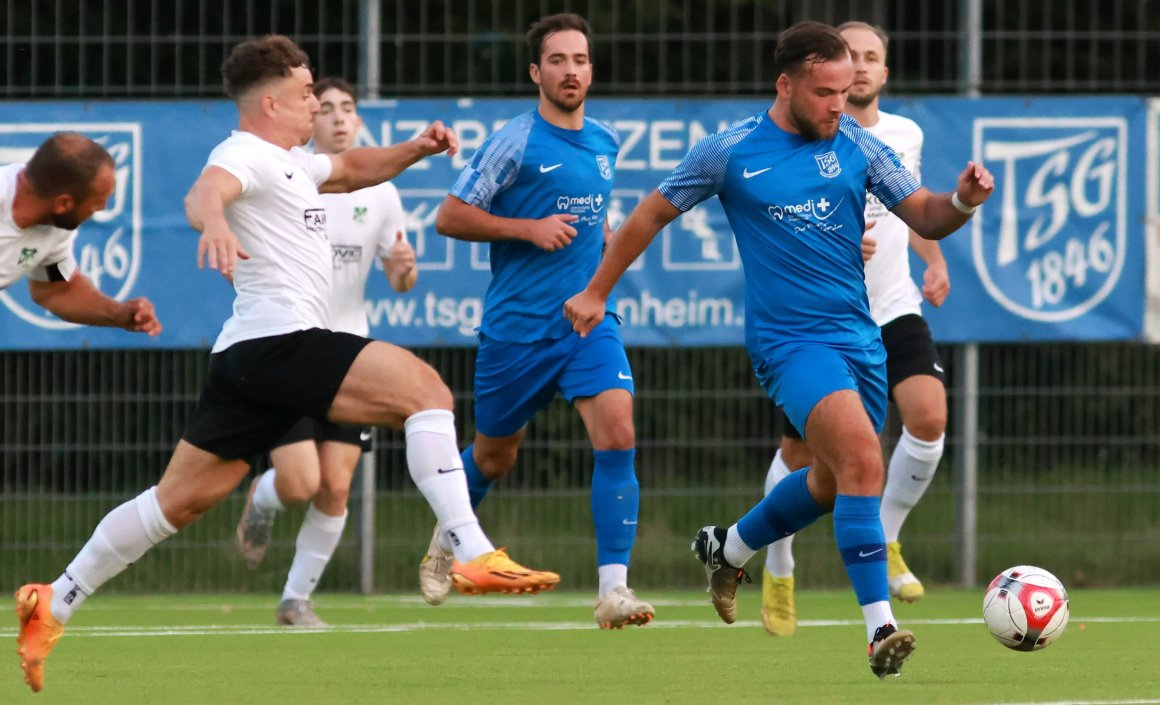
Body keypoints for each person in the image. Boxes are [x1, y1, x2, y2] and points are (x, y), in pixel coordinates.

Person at [13, 35, 558, 694]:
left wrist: (415, 149)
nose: (315, 103)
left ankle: (56, 598)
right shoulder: (244, 153)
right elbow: (204, 192)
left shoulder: (292, 161)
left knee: (174, 503)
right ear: (271, 102)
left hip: (247, 358)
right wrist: (213, 220)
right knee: (427, 390)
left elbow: (353, 167)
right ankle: (472, 553)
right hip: (282, 341)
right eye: (306, 94)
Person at [564, 20, 993, 677]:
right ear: (786, 84)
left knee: (828, 481)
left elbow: (928, 215)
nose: (838, 106)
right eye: (825, 93)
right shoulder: (730, 151)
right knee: (859, 460)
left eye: (847, 93)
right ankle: (880, 630)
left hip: (861, 339)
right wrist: (596, 290)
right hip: (789, 343)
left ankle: (728, 548)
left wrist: (963, 200)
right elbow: (649, 213)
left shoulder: (858, 144)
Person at [422, 13, 654, 630]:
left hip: (584, 322)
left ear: (591, 70)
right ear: (536, 72)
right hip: (516, 330)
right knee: (495, 457)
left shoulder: (604, 141)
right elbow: (448, 216)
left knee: (619, 434)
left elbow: (597, 226)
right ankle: (451, 536)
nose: (571, 70)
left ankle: (613, 591)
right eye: (557, 60)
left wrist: (599, 270)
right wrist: (526, 228)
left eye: (580, 59)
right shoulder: (514, 141)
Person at [760, 21, 951, 638]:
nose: (861, 69)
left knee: (927, 418)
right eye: (852, 58)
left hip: (893, 308)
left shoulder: (899, 136)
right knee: (806, 459)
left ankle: (887, 537)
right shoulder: (788, 146)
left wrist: (935, 258)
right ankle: (778, 562)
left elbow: (912, 205)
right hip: (823, 323)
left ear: (884, 73)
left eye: (872, 58)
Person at [232, 76, 419, 627]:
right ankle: (261, 501)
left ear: (359, 121)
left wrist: (403, 270)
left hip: (347, 354)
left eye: (349, 109)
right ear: (308, 120)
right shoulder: (290, 179)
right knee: (299, 483)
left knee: (336, 486)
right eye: (327, 108)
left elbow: (400, 277)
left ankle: (295, 601)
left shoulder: (381, 193)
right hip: (290, 346)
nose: (338, 118)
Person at [1, 132, 161, 336]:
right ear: (63, 204)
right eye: (96, 203)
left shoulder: (55, 229)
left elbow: (57, 290)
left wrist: (118, 313)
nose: (102, 208)